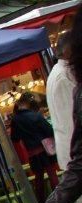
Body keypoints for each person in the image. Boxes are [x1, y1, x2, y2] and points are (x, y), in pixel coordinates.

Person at [12, 19, 82, 203]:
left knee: (44, 177)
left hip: (45, 150)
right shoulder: (65, 78)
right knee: (47, 176)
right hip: (53, 150)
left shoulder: (61, 77)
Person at [9, 93, 59, 203]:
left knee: (38, 178)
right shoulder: (36, 116)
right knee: (52, 174)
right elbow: (49, 131)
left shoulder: (15, 120)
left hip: (31, 153)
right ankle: (58, 199)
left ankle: (40, 202)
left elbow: (14, 138)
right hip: (44, 150)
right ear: (29, 103)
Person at [48, 32, 76, 171]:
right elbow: (72, 118)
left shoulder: (61, 72)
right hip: (74, 152)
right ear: (68, 51)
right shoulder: (63, 76)